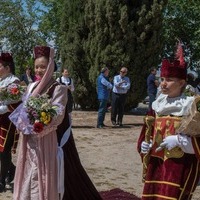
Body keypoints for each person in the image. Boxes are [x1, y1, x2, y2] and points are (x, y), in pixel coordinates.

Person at [9, 46, 102, 200]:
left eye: (43, 67)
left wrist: (37, 128)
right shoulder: (31, 86)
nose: (38, 70)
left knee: (42, 173)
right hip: (28, 140)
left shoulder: (59, 89)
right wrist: (22, 124)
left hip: (45, 139)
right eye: (36, 66)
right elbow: (23, 109)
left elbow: (57, 117)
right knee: (27, 171)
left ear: (51, 67)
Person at [137, 43, 200, 199]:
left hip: (179, 166)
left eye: (169, 79)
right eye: (162, 78)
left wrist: (179, 140)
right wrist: (145, 145)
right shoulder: (157, 105)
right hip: (156, 164)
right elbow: (147, 131)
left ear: (181, 83)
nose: (163, 83)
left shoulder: (192, 106)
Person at [0, 53, 21, 192]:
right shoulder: (1, 80)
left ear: (7, 67)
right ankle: (12, 169)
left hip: (7, 122)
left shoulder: (15, 82)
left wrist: (1, 109)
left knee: (4, 151)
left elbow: (16, 104)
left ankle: (1, 182)